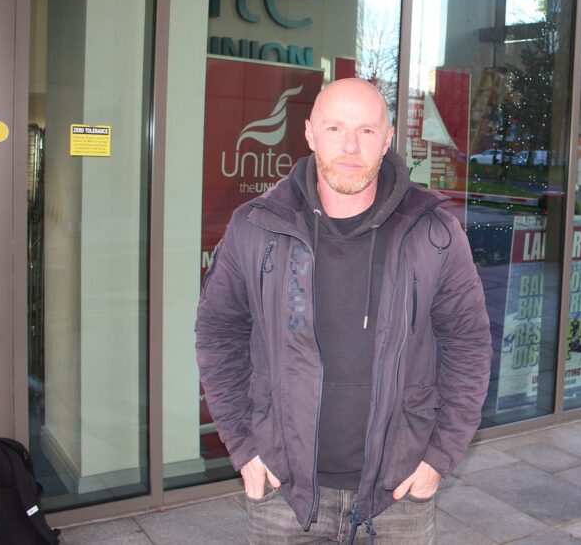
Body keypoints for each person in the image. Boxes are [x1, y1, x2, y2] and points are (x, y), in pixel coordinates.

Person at [196, 78, 492, 544]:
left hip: (399, 493)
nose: (350, 146)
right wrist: (243, 445)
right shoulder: (256, 226)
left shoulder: (434, 232)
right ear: (311, 134)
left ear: (388, 138)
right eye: (335, 128)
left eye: (366, 131)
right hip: (283, 494)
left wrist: (440, 457)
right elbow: (218, 334)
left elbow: (468, 346)